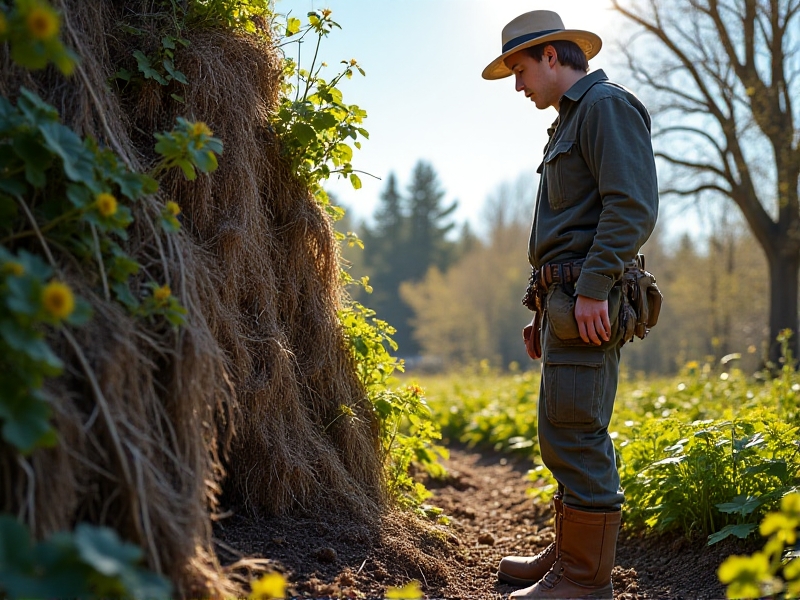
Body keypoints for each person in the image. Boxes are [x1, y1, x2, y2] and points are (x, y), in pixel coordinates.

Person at [481, 10, 659, 600]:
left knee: (576, 429)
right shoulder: (572, 119)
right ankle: (572, 556)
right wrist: (544, 307)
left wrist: (588, 289)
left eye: (521, 69)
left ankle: (585, 582)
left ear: (552, 57)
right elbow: (571, 227)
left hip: (589, 297)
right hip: (567, 299)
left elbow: (630, 208)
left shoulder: (605, 106)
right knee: (564, 426)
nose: (517, 85)